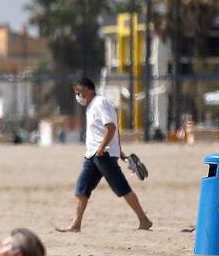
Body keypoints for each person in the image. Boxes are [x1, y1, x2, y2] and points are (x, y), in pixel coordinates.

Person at [57, 77, 153, 233]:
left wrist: (103, 148)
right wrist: (119, 151)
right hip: (92, 155)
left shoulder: (101, 103)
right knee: (82, 187)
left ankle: (144, 219)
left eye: (79, 92)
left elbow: (111, 127)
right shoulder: (91, 106)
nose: (78, 96)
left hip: (103, 154)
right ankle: (76, 224)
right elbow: (108, 131)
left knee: (121, 187)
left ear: (87, 90)